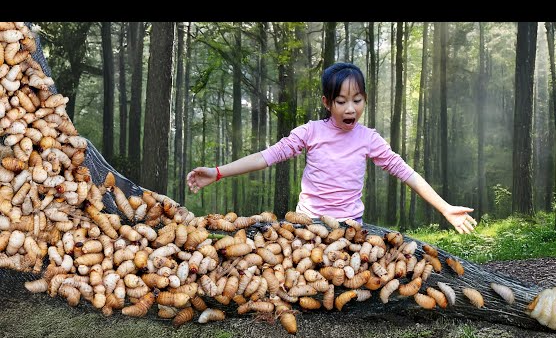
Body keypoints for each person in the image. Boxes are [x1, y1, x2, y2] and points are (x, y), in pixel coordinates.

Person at [187, 62, 477, 234]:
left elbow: (407, 174)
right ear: (327, 102)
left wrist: (445, 208)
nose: (351, 108)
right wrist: (217, 172)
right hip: (306, 225)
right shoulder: (310, 132)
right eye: (341, 101)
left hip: (350, 228)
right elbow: (266, 157)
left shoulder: (368, 138)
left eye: (358, 99)